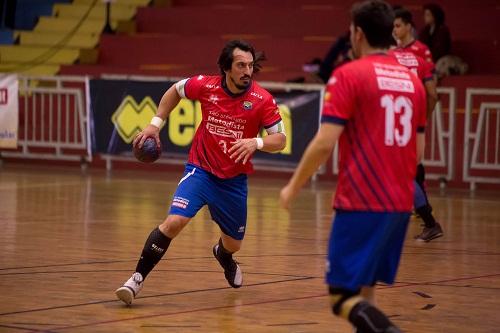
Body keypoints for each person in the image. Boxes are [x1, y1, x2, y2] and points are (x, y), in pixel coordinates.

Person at [280, 1, 426, 332]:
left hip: (363, 201)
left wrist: (293, 187)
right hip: (400, 204)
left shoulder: (348, 75)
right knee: (366, 291)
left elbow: (324, 143)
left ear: (357, 33)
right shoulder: (411, 81)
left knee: (341, 297)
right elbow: (418, 153)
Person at [115, 39, 287, 305]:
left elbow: (281, 140)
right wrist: (154, 125)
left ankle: (224, 255)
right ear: (227, 68)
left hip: (233, 182)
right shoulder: (205, 86)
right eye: (241, 65)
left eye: (251, 66)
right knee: (174, 222)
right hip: (201, 170)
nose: (247, 71)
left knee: (234, 243)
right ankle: (136, 279)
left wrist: (257, 142)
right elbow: (175, 90)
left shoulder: (262, 99)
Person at [392, 6, 443, 242]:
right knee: (406, 171)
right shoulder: (418, 60)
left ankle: (429, 220)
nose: (395, 29)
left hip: (393, 125)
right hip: (412, 124)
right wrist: (423, 117)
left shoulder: (389, 58)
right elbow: (432, 94)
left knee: (401, 172)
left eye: (397, 25)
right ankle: (425, 219)